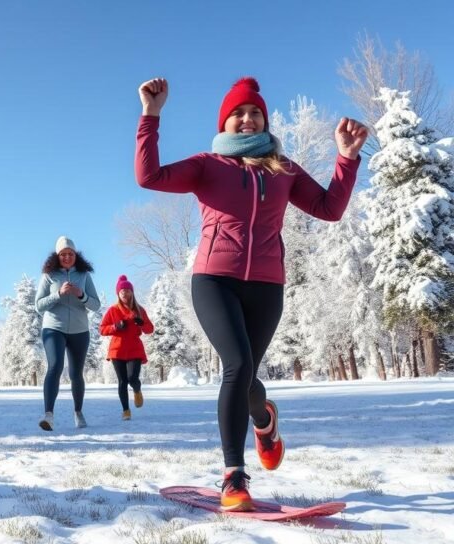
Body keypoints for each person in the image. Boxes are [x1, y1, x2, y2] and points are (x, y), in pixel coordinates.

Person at [135, 76, 368, 510]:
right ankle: (234, 476)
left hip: (266, 286)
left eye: (254, 113)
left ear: (264, 120)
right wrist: (151, 116)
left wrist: (346, 159)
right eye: (238, 113)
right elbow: (149, 177)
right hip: (214, 280)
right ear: (226, 122)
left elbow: (329, 210)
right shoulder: (208, 165)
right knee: (237, 365)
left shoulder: (283, 169)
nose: (247, 119)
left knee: (246, 377)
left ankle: (264, 421)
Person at [34, 236, 100, 431]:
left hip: (80, 330)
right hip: (54, 327)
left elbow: (95, 305)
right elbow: (38, 305)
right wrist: (58, 294)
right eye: (63, 254)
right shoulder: (49, 275)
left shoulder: (84, 275)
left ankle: (78, 412)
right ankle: (49, 415)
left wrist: (81, 295)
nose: (67, 257)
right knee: (55, 365)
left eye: (70, 253)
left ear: (75, 255)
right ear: (57, 255)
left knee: (76, 373)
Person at [100, 275, 154, 421]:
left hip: (134, 349)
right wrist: (115, 326)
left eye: (127, 290)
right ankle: (126, 410)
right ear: (118, 293)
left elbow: (150, 329)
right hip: (117, 350)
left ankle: (137, 389)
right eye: (122, 290)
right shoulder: (112, 310)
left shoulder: (139, 309)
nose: (124, 293)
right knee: (122, 381)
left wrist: (141, 322)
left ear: (132, 292)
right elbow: (102, 329)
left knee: (132, 378)